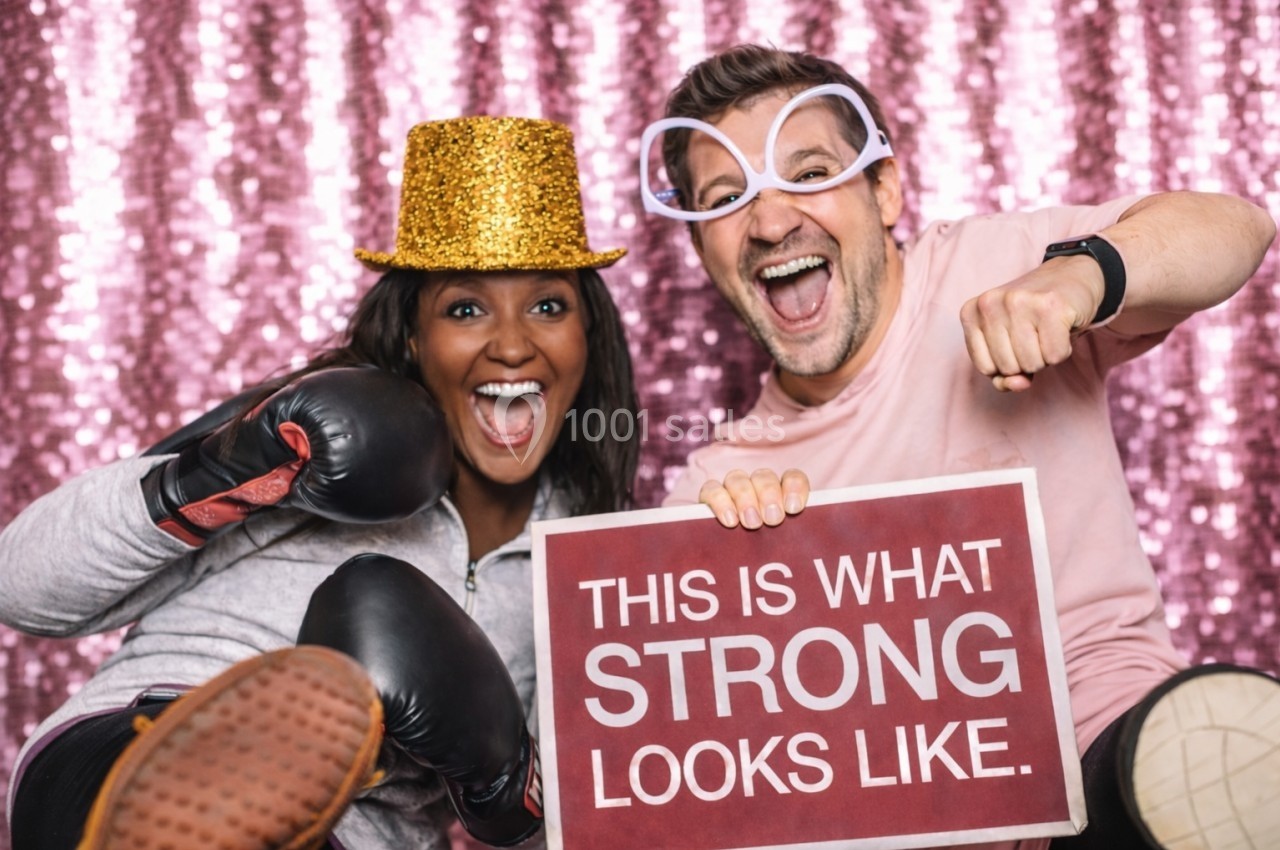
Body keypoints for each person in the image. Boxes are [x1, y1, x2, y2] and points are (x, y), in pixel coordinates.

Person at [642, 44, 1279, 850]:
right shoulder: (718, 485)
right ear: (701, 248)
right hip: (912, 824)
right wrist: (727, 563)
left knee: (1213, 762)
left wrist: (1084, 280)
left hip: (1108, 759)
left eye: (807, 174)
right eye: (729, 198)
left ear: (884, 189)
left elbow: (1239, 227)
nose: (770, 222)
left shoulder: (996, 267)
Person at [0, 115, 641, 850]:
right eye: (465, 308)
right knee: (170, 793)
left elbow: (594, 821)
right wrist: (227, 471)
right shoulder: (311, 440)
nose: (511, 344)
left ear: (587, 336)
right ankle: (186, 818)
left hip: (358, 835)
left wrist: (508, 783)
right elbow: (20, 588)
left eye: (548, 305)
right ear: (413, 336)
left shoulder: (597, 562)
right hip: (143, 738)